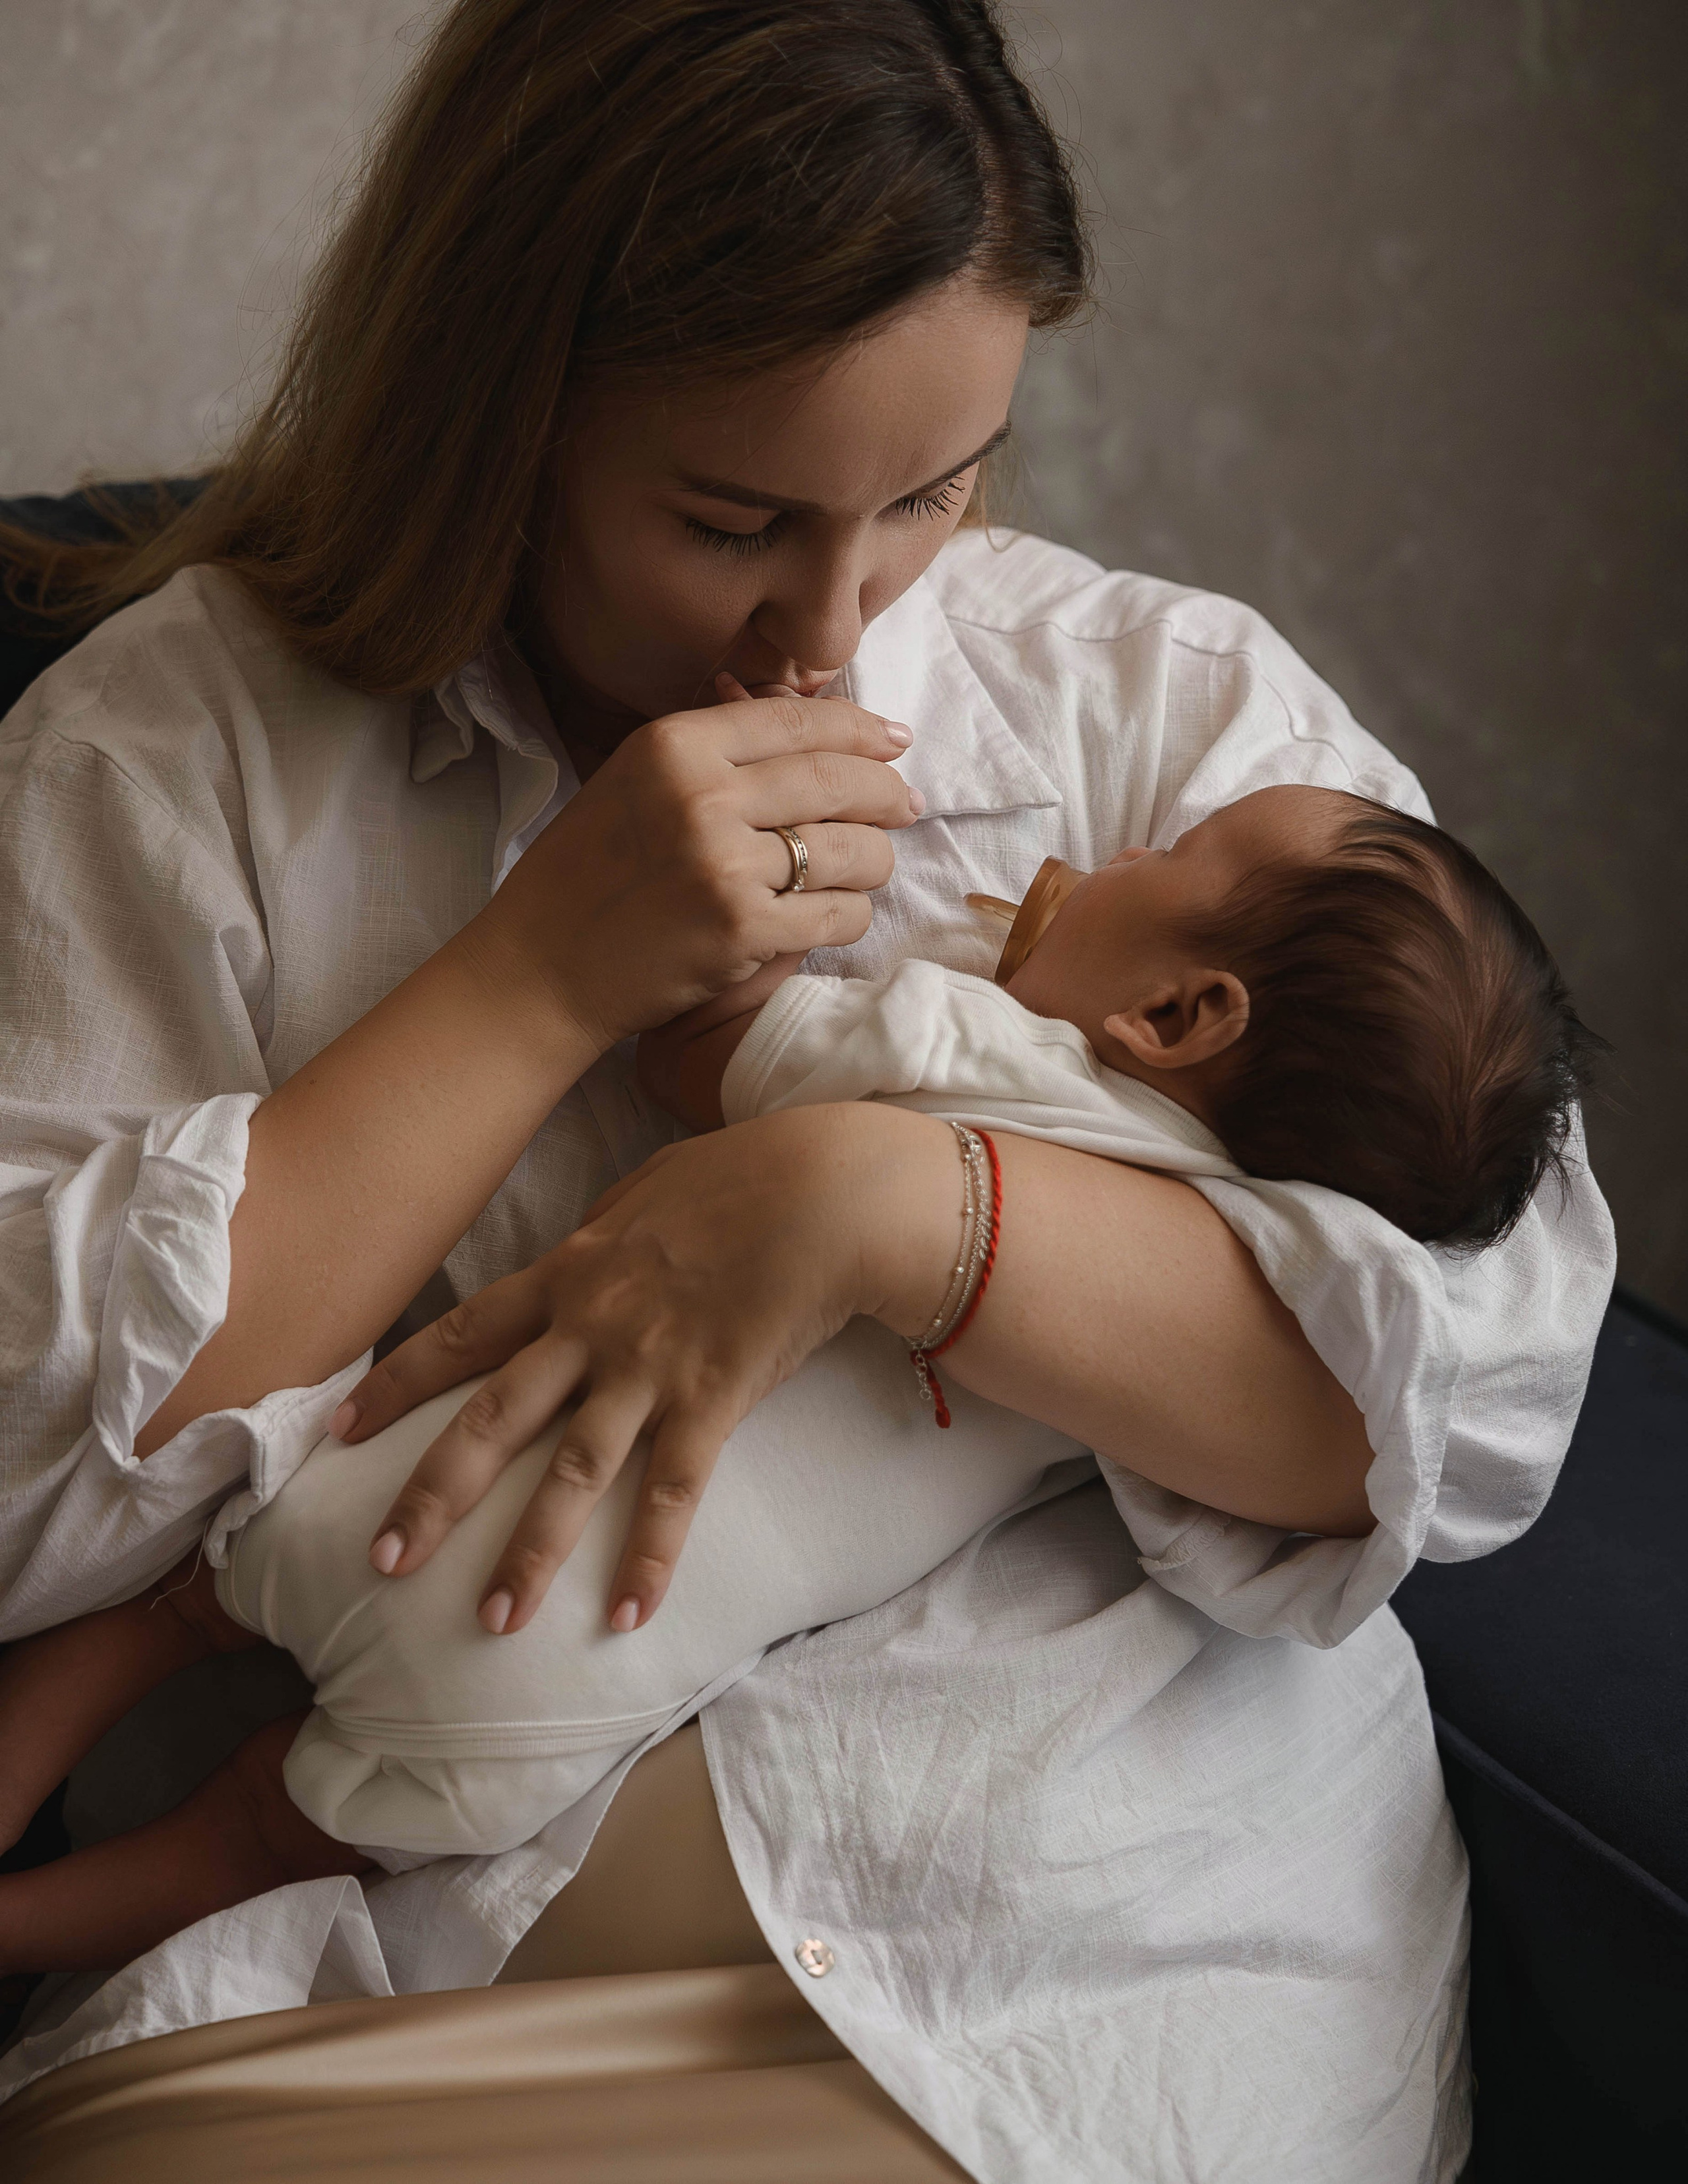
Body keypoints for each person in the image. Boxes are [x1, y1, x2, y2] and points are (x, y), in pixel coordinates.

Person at [0, 2, 1613, 2173]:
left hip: (1094, 1934)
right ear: (508, 407)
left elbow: (1478, 1386)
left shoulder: (1169, 715)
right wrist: (531, 982)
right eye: (734, 517)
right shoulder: (171, 759)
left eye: (934, 495)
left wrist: (884, 1206)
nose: (832, 636)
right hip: (406, 1917)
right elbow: (29, 1496)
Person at [0, 779, 1601, 1939]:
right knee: (255, 1847)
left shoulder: (976, 1054)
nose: (1119, 845)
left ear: (1177, 1014)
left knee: (167, 1610)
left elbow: (699, 1052)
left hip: (406, 1486)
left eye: (1167, 852)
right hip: (548, 1697)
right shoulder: (1238, 1275)